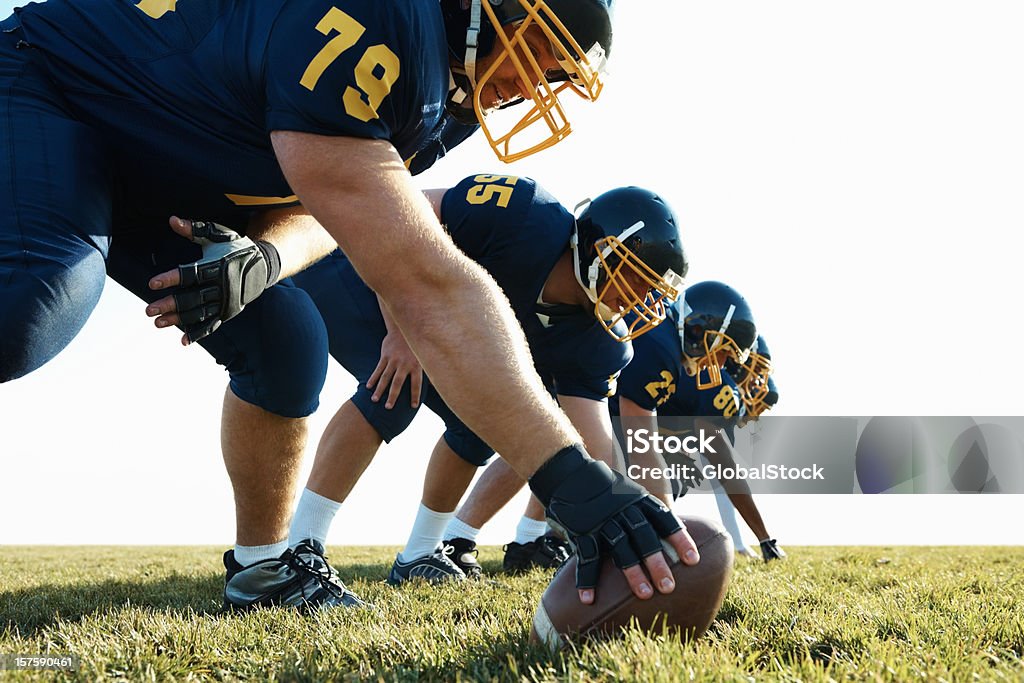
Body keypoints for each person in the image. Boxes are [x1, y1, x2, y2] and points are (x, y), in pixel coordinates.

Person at [2, 0, 696, 611]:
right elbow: (430, 282)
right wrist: (574, 478)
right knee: (32, 301)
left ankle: (262, 569)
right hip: (58, 86)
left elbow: (323, 191)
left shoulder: (448, 98)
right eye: (539, 50)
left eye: (554, 73)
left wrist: (267, 255)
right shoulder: (388, 22)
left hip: (163, 167)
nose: (533, 82)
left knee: (286, 341)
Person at [287, 177, 687, 591]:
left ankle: (421, 552)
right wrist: (401, 329)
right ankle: (300, 545)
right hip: (358, 264)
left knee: (483, 423)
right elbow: (409, 211)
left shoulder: (597, 341)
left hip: (431, 316)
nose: (641, 300)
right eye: (638, 279)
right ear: (599, 249)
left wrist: (641, 514)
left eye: (652, 291)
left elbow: (597, 443)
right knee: (399, 385)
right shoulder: (524, 216)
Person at [612, 282, 787, 562]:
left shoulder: (673, 345)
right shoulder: (720, 387)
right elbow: (725, 469)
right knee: (679, 470)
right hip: (610, 416)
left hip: (605, 410)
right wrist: (764, 538)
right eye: (729, 351)